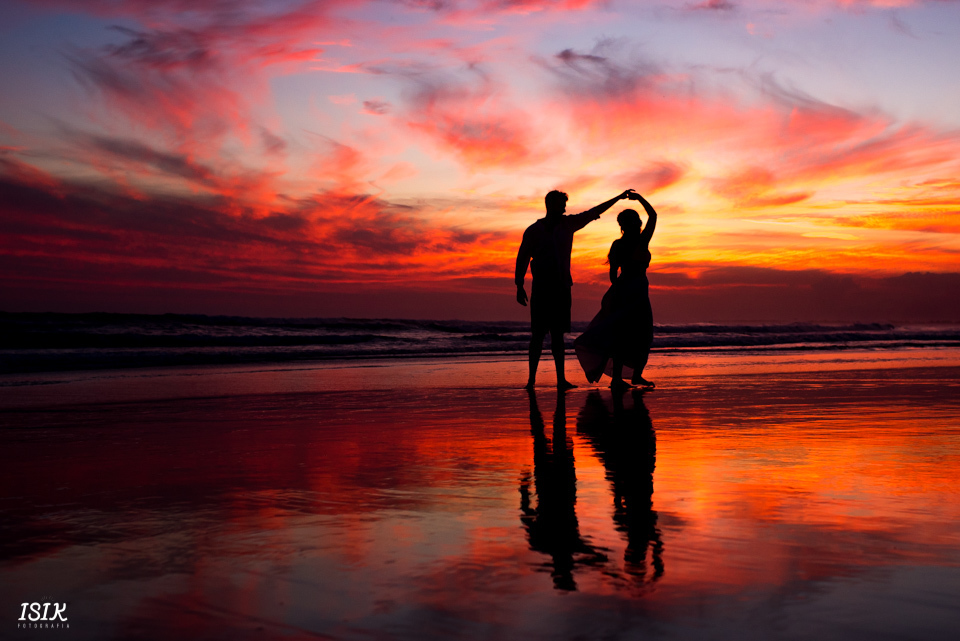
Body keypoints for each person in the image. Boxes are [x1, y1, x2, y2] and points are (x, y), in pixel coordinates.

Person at [516, 188, 636, 390]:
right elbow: (522, 258)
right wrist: (519, 285)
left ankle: (561, 380)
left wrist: (617, 197)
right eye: (561, 204)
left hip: (562, 288)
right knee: (537, 335)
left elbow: (594, 212)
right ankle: (531, 380)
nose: (564, 208)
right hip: (542, 290)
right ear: (551, 205)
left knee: (557, 336)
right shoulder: (534, 230)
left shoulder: (568, 224)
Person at [574, 192, 658, 391]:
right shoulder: (639, 241)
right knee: (633, 334)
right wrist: (640, 199)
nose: (638, 223)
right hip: (632, 290)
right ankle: (624, 377)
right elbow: (653, 216)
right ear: (632, 224)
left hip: (627, 290)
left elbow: (613, 275)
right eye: (636, 221)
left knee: (632, 334)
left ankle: (629, 376)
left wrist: (617, 291)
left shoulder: (622, 243)